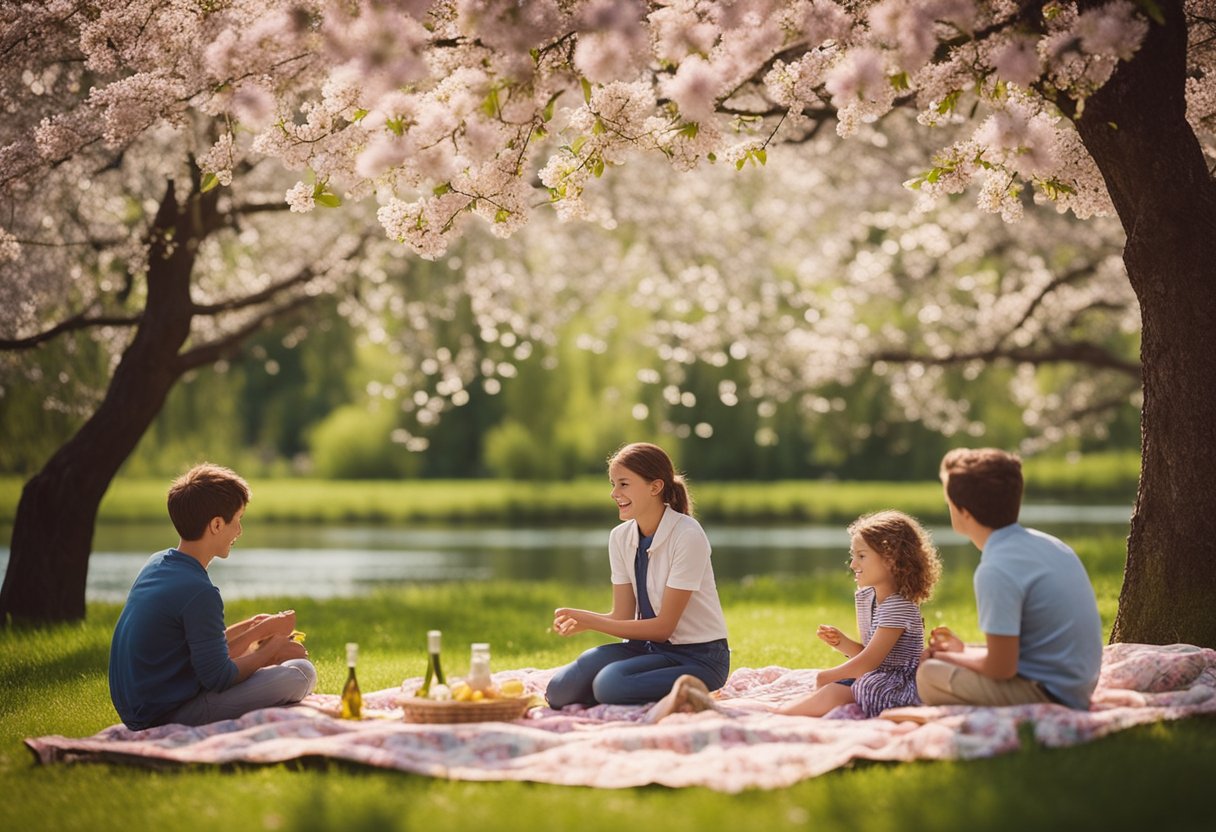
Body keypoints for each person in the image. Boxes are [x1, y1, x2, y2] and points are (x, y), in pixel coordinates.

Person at [108, 463, 317, 730]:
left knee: (280, 667)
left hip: (142, 707)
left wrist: (255, 628)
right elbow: (218, 677)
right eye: (238, 519)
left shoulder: (158, 563)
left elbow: (204, 651)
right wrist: (271, 649)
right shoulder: (199, 592)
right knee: (301, 673)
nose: (239, 531)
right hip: (167, 714)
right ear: (217, 524)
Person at [545, 442, 731, 707]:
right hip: (646, 648)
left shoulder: (688, 535)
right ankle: (621, 691)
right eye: (613, 484)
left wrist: (591, 621)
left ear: (655, 487)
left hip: (699, 657)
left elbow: (663, 628)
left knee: (610, 683)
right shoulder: (620, 537)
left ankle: (680, 691)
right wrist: (582, 619)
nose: (614, 493)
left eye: (623, 484)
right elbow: (622, 616)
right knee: (559, 691)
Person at [916, 448, 1103, 710]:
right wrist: (963, 652)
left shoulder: (996, 570)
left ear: (964, 512)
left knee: (928, 674)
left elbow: (1001, 668)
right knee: (956, 657)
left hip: (1050, 695)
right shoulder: (1050, 544)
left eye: (948, 502)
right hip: (1076, 685)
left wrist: (948, 658)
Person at [774, 510, 941, 718]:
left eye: (861, 556)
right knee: (831, 689)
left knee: (832, 691)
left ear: (891, 559)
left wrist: (825, 676)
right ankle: (777, 710)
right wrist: (842, 643)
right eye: (853, 556)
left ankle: (775, 715)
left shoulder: (897, 606)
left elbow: (869, 663)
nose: (853, 564)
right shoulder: (871, 598)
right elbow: (875, 657)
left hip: (896, 686)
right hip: (879, 674)